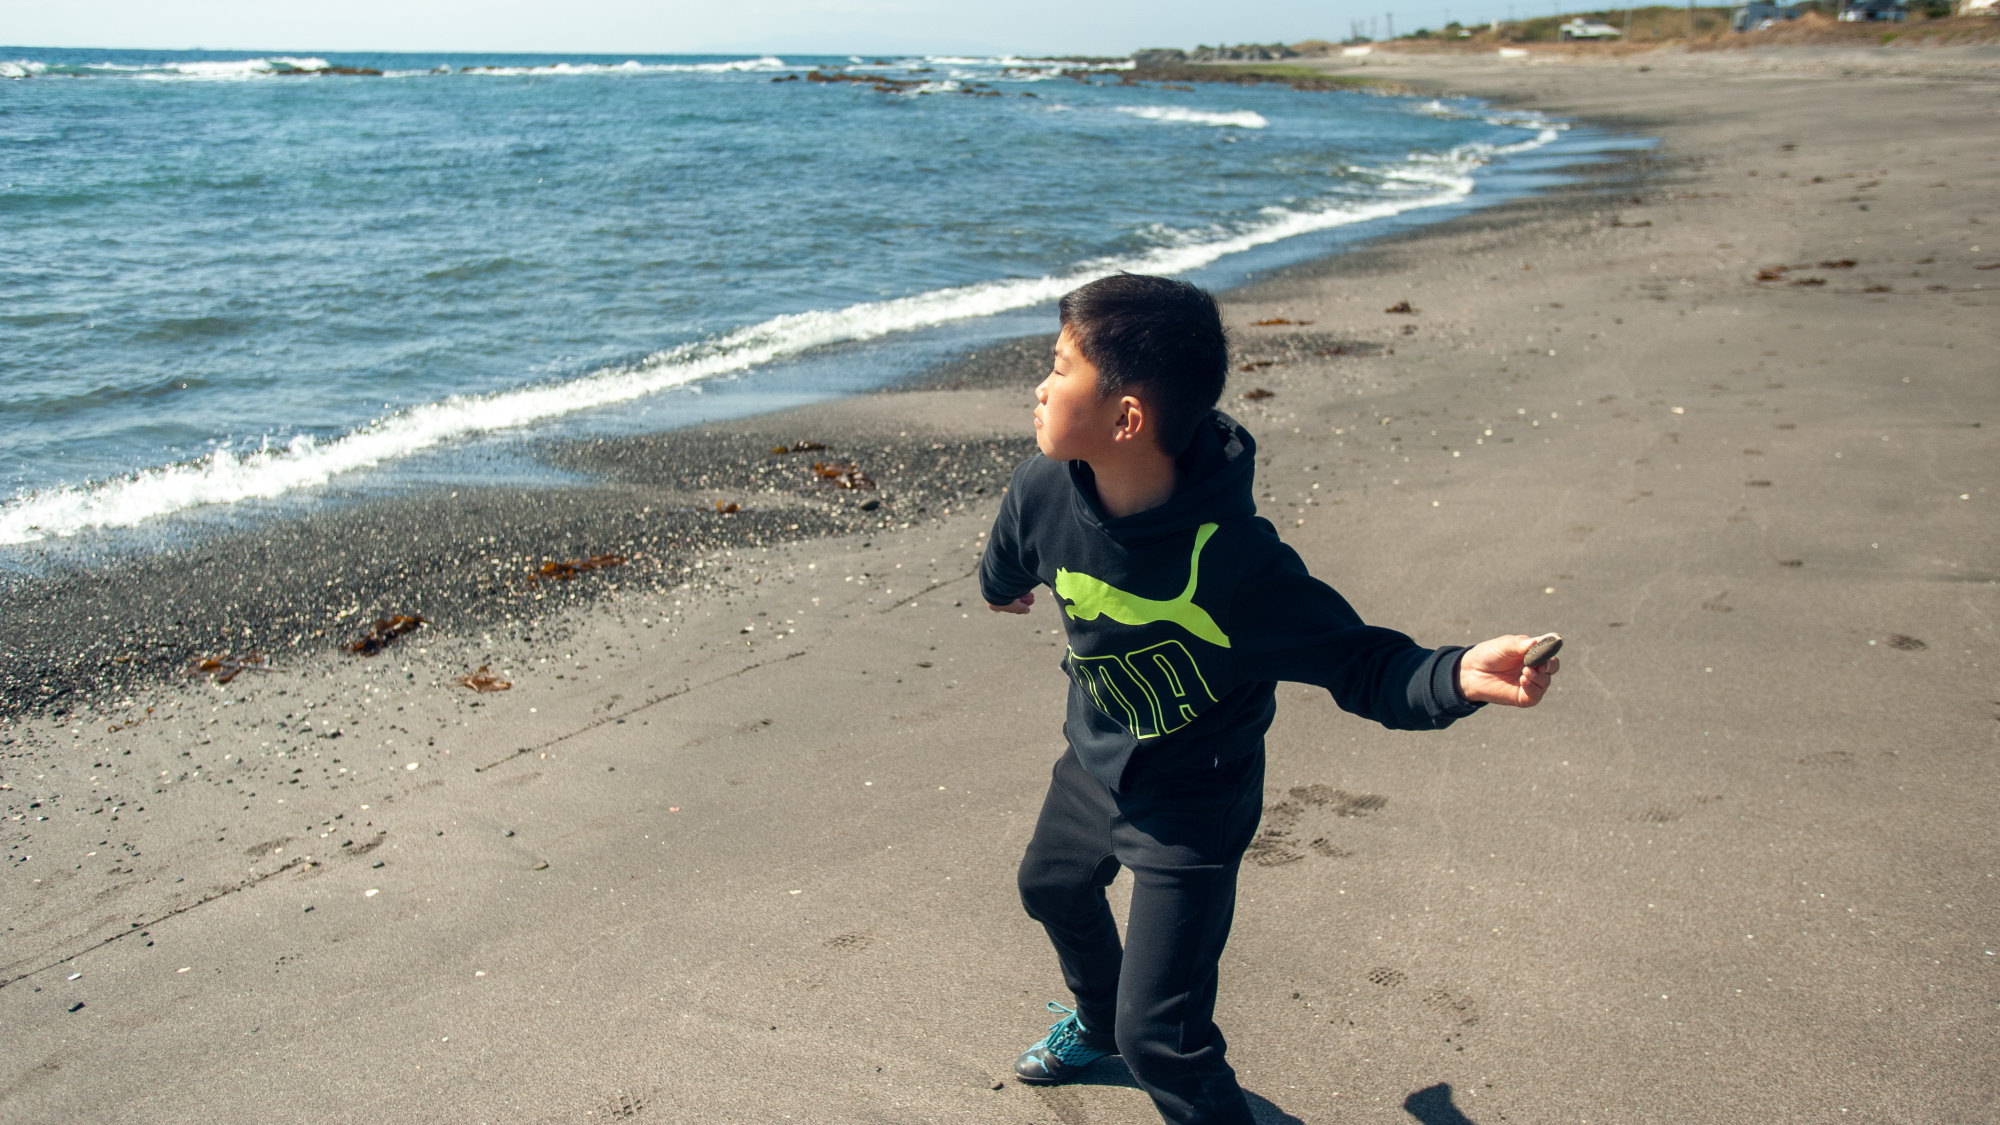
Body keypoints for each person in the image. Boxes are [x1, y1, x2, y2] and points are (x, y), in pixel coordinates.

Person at [979, 273, 1557, 1125]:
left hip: (1196, 801)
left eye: (1059, 369)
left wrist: (1454, 672)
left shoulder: (1237, 568)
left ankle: (1155, 1059)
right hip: (1095, 756)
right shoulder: (1042, 485)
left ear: (1126, 418)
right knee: (1050, 887)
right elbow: (1010, 553)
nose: (1039, 386)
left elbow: (1360, 661)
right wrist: (1001, 586)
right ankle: (1095, 1021)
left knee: (1163, 1036)